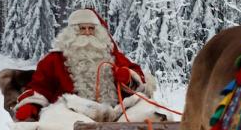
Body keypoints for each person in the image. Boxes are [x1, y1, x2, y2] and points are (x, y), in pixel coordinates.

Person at [14, 8, 146, 122]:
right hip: (71, 116)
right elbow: (41, 86)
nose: (88, 32)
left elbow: (137, 76)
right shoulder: (54, 59)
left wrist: (128, 77)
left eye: (91, 28)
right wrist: (31, 105)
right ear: (72, 32)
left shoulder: (112, 56)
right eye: (82, 28)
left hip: (113, 115)